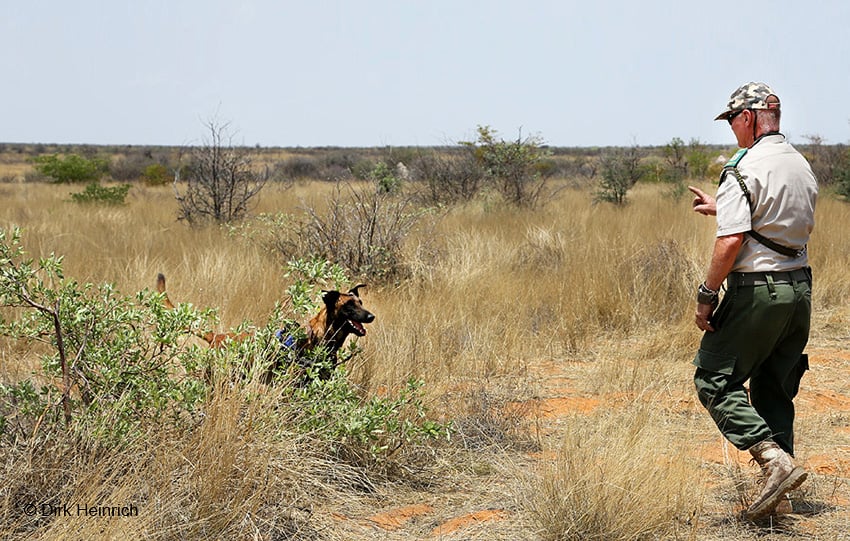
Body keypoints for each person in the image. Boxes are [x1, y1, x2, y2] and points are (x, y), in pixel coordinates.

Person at [687, 82, 818, 521]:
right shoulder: (800, 164)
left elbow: (733, 241)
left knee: (713, 378)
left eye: (732, 122)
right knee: (773, 385)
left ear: (747, 117)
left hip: (757, 293)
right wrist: (719, 208)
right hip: (799, 291)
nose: (733, 132)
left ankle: (772, 461)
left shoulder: (742, 168)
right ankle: (778, 497)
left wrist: (707, 294)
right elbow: (775, 220)